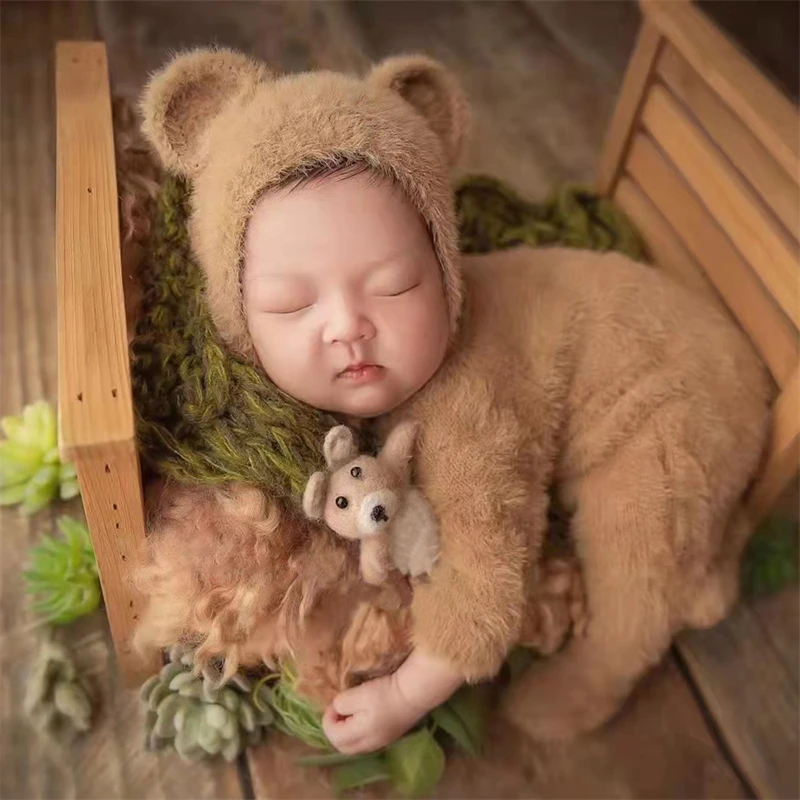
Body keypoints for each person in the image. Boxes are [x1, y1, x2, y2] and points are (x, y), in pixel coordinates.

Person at [139, 47, 771, 755]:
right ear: (237, 317)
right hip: (653, 332)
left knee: (641, 547)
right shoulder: (245, 381)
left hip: (680, 392)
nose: (348, 327)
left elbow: (484, 583)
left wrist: (402, 696)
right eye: (290, 304)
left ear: (445, 272)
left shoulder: (459, 413)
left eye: (396, 286)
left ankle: (614, 661)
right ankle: (703, 556)